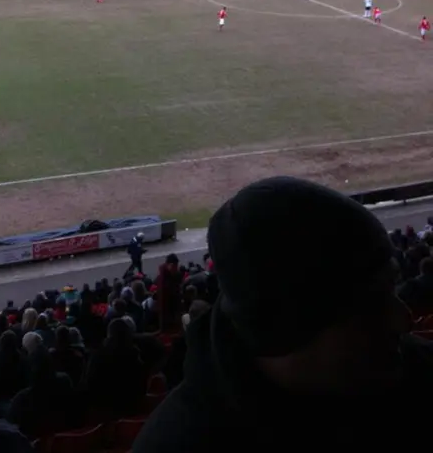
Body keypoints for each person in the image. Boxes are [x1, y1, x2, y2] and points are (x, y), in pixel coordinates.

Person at [133, 176, 433, 452]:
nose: (404, 319)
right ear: (289, 326)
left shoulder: (415, 373)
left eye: (392, 288)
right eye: (369, 307)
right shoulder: (178, 442)